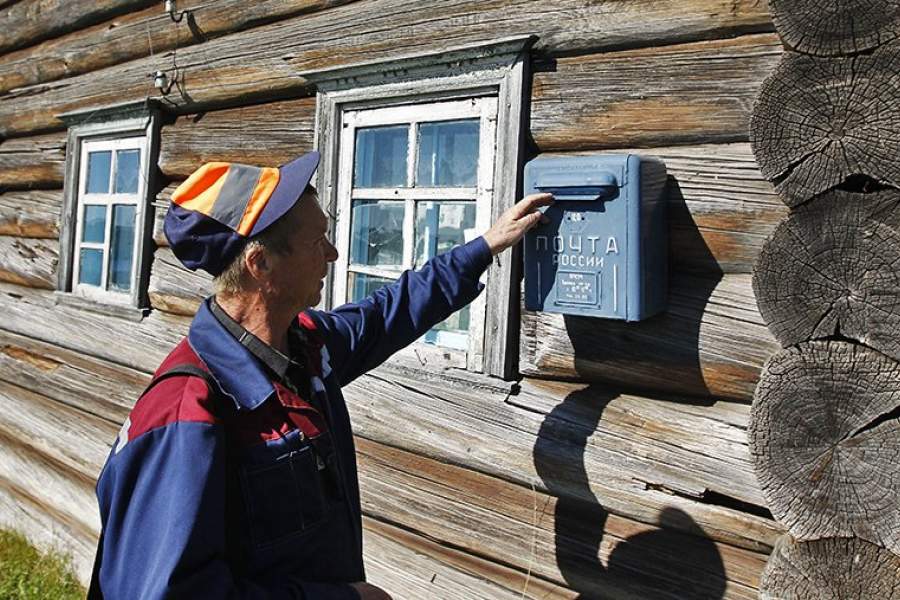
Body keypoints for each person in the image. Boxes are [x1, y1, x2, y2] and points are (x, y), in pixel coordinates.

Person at [90, 150, 552, 599]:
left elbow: (390, 312)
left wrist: (485, 246)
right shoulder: (186, 410)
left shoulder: (307, 345)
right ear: (260, 264)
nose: (332, 254)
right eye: (318, 241)